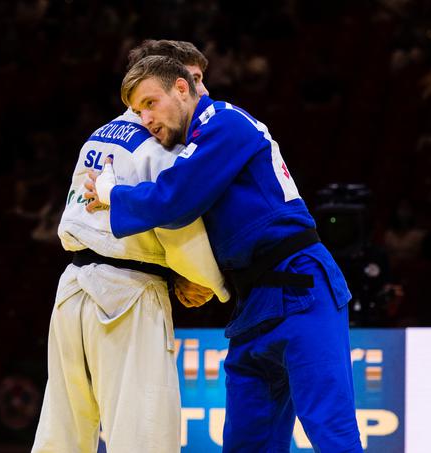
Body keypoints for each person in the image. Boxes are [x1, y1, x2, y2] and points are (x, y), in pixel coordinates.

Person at [87, 55, 362, 452]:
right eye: (137, 110)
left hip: (301, 287)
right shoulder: (192, 147)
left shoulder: (226, 123)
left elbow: (175, 200)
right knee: (246, 445)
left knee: (332, 433)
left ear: (182, 89)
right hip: (252, 303)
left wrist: (112, 192)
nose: (145, 118)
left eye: (150, 103)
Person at [31, 41, 230, 453]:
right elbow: (177, 229)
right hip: (126, 294)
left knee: (63, 432)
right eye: (194, 80)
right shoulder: (160, 143)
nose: (201, 92)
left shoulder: (100, 134)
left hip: (71, 291)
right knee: (143, 433)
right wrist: (209, 282)